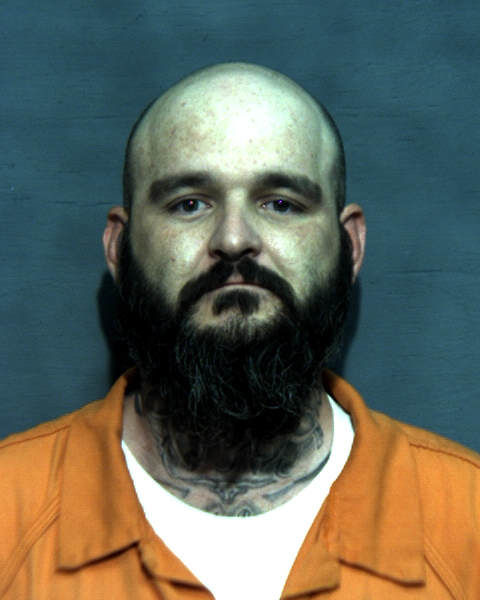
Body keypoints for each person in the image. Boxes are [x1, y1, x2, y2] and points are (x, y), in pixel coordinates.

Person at [0, 62, 479, 600]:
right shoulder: (9, 514)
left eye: (281, 204)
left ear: (350, 246)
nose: (232, 239)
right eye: (189, 203)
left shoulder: (467, 520)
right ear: (118, 248)